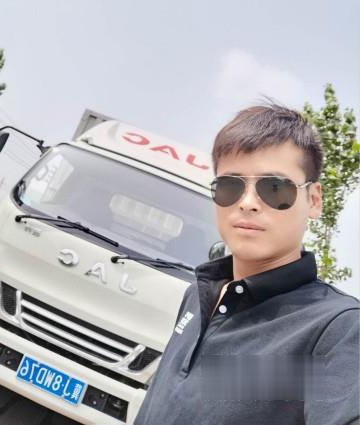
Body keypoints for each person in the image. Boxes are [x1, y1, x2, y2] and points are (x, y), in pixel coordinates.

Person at [133, 103, 360, 425]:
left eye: (275, 188)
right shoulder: (198, 297)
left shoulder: (336, 329)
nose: (248, 203)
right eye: (231, 185)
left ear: (314, 200)